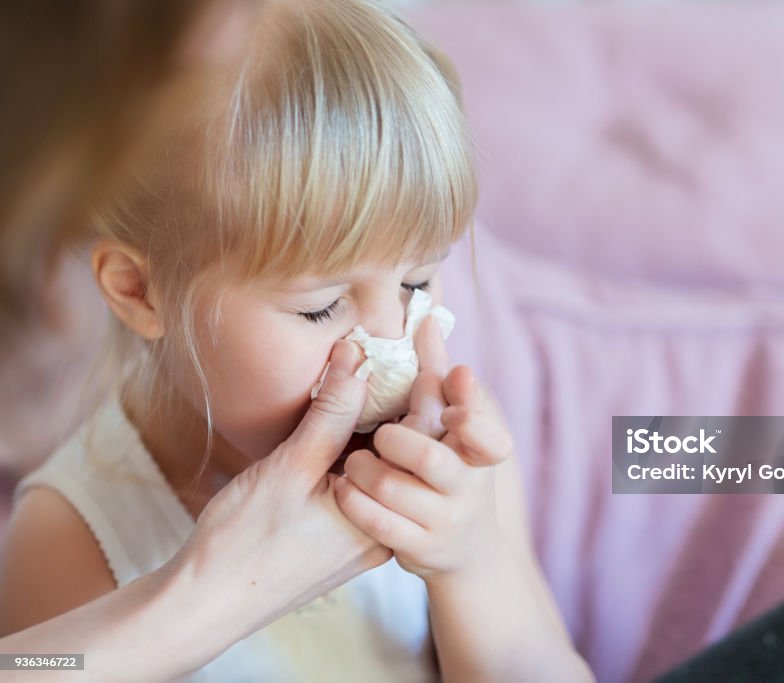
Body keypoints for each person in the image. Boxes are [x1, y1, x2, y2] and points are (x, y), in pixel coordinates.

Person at [0, 1, 594, 680]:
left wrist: (474, 560)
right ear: (140, 291)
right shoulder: (73, 530)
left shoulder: (453, 465)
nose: (390, 339)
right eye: (321, 308)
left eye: (419, 282)